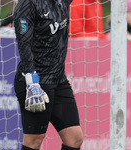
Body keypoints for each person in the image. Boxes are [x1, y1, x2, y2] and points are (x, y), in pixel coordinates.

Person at [13, 0, 83, 150]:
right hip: (36, 81)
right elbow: (24, 45)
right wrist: (32, 81)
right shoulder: (28, 4)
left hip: (59, 79)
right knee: (34, 142)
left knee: (75, 139)